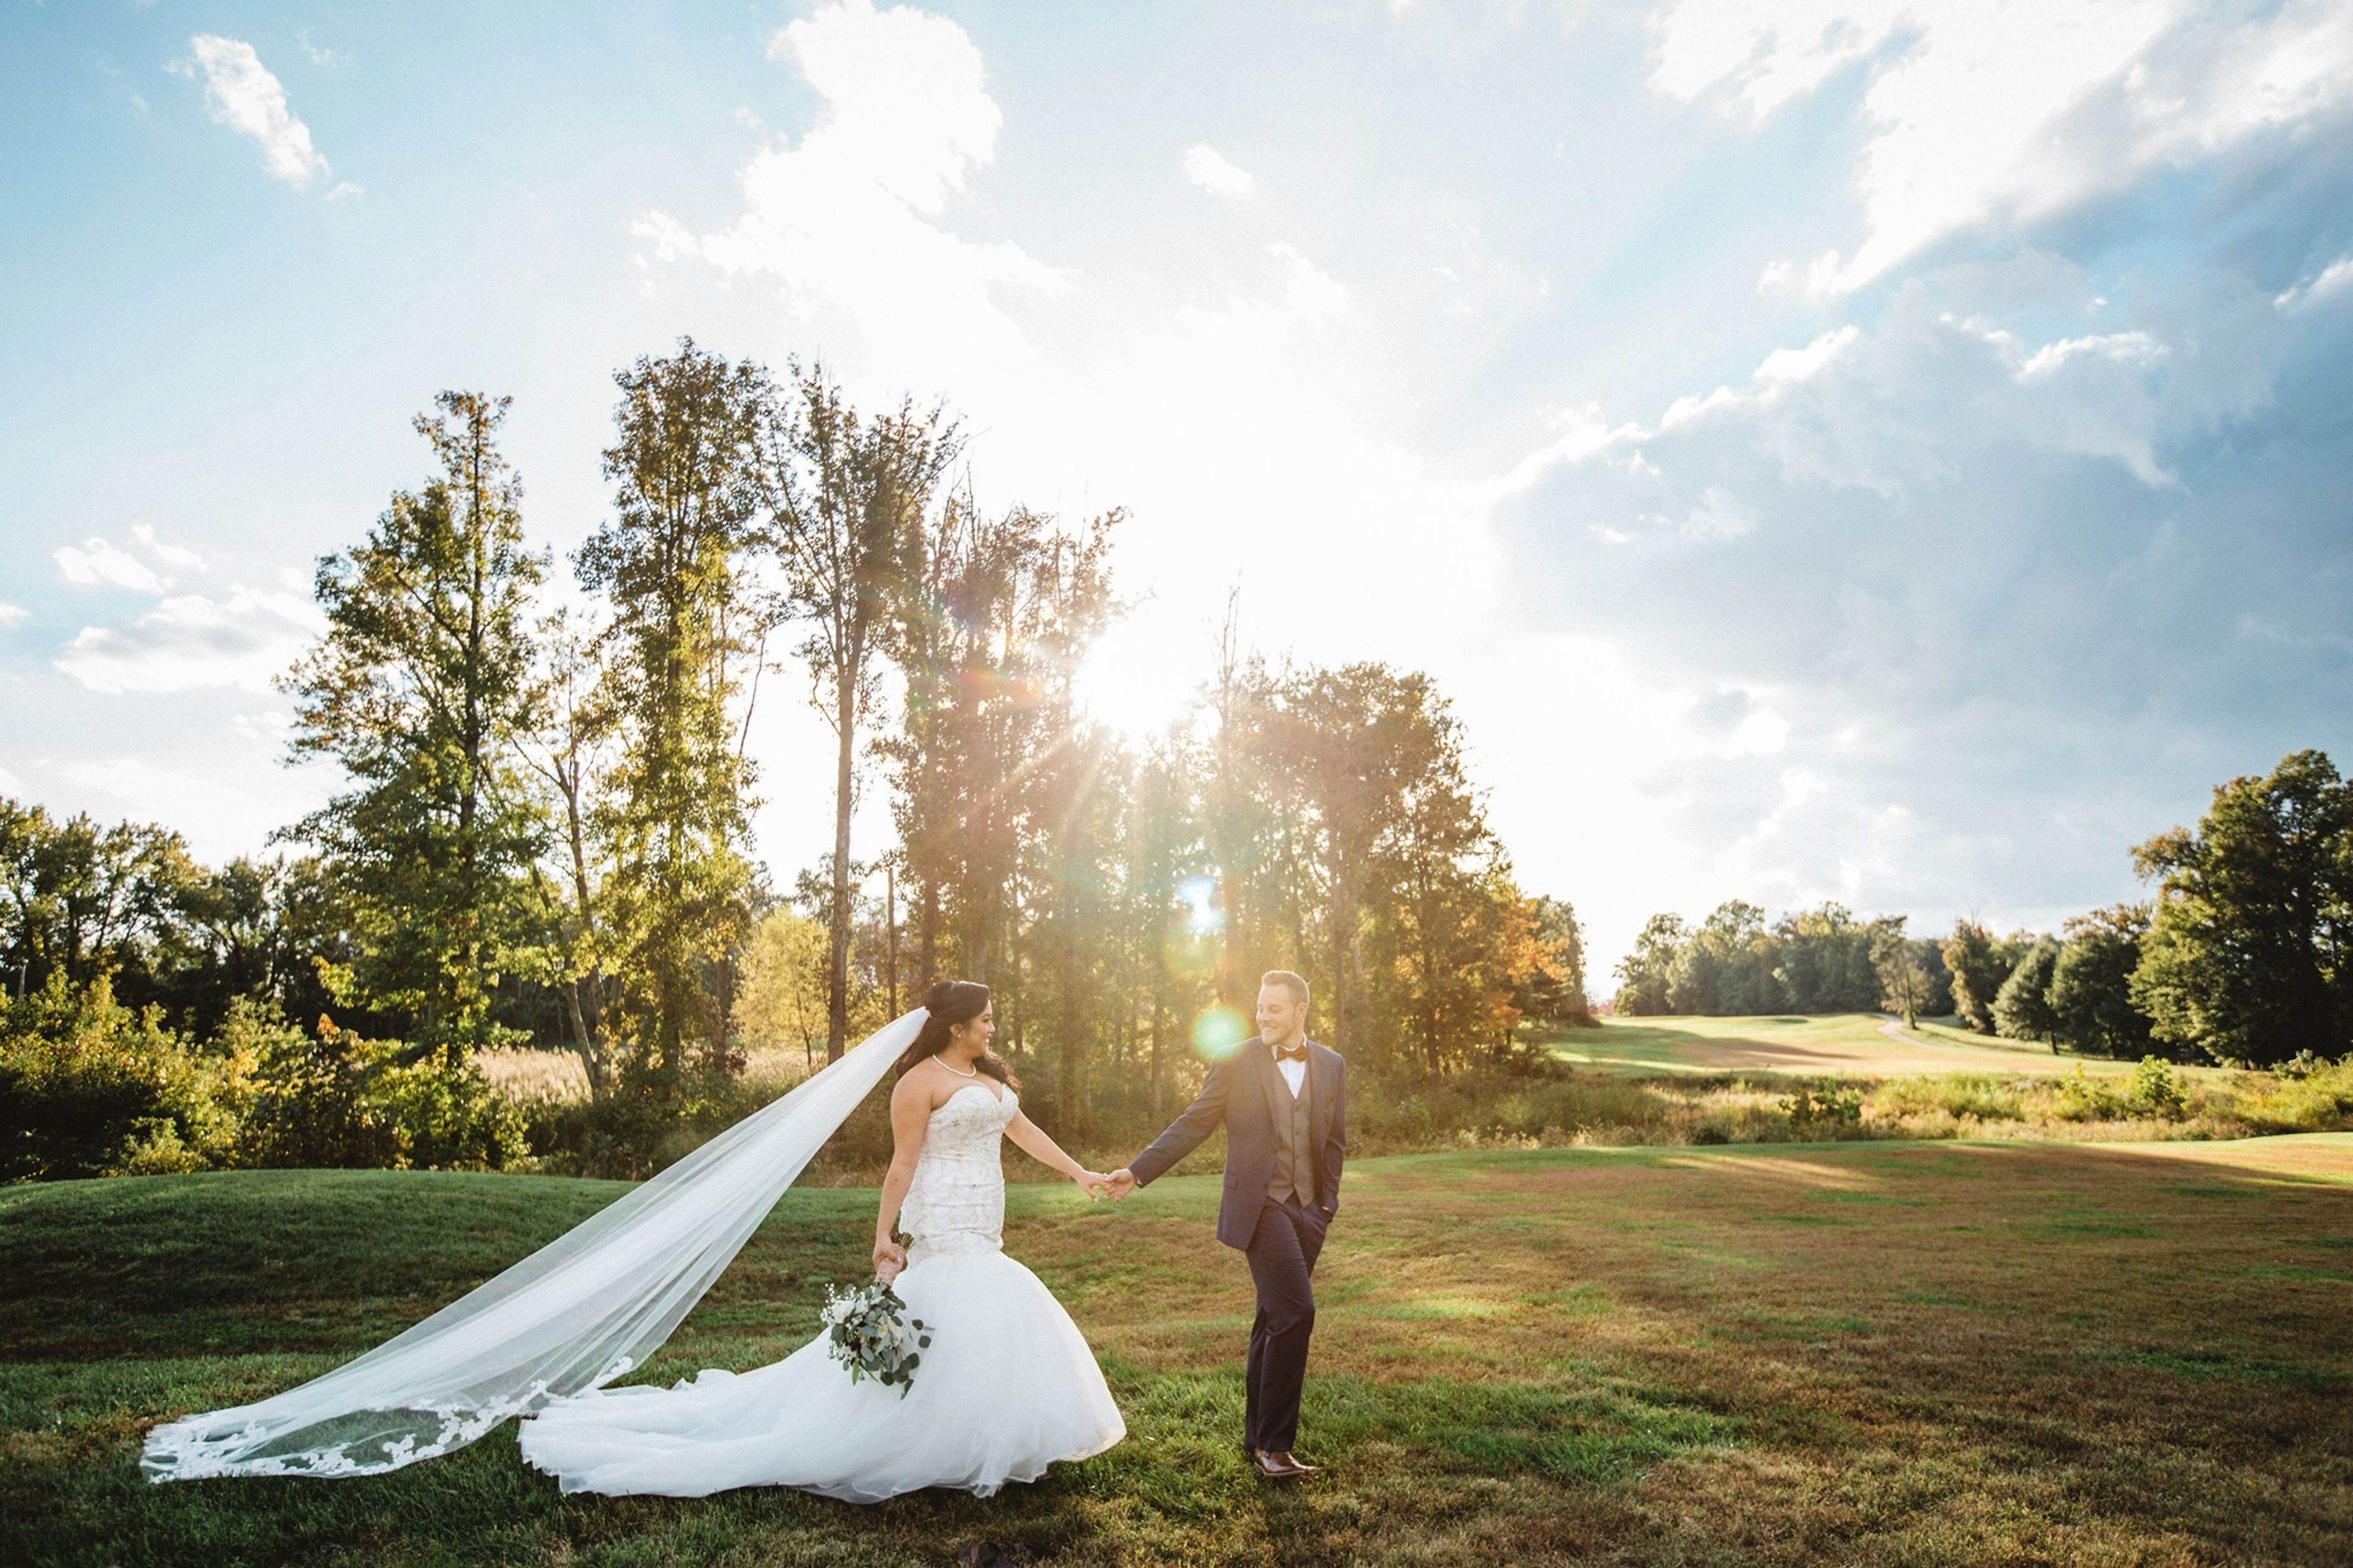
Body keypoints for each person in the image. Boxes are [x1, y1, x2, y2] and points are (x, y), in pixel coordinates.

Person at [513, 980, 1125, 1501]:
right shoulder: (917, 1082)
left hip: (986, 1211)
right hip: (940, 1212)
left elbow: (1021, 1129)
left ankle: (983, 1431)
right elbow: (901, 1165)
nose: (994, 1028)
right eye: (987, 1020)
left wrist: (1079, 1171)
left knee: (983, 1310)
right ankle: (926, 1436)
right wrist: (884, 1232)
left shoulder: (985, 1075)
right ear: (958, 1027)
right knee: (960, 1301)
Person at [1107, 969, 1346, 1480]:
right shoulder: (1236, 1060)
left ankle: (1256, 1441)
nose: (1263, 1017)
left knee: (1272, 1318)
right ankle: (1276, 1448)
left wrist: (1327, 1204)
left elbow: (1334, 1141)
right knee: (1297, 1312)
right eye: (1260, 1008)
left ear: (1300, 1010)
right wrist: (1138, 1170)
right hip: (1259, 1206)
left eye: (1274, 1009)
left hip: (1309, 1211)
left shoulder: (1331, 1064)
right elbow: (1194, 1121)